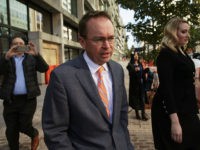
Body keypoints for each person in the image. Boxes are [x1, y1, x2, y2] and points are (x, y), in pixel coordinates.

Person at [42, 11, 134, 150]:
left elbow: (121, 116)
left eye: (110, 38)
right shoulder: (62, 76)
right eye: (99, 39)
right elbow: (55, 133)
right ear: (82, 42)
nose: (107, 46)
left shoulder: (117, 70)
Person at [151, 17, 200, 150]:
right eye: (184, 32)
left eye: (187, 32)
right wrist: (175, 122)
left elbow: (188, 81)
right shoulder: (166, 54)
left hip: (187, 109)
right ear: (173, 33)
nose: (187, 35)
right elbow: (166, 89)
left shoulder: (181, 51)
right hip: (171, 113)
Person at [0, 35, 49, 150]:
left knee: (24, 125)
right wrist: (6, 57)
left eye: (21, 44)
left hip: (28, 100)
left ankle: (34, 134)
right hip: (10, 100)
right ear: (11, 46)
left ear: (25, 46)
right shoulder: (6, 58)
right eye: (15, 44)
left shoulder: (31, 58)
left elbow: (44, 68)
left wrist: (37, 55)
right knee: (11, 129)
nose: (18, 46)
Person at [126, 52, 148, 121]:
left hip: (141, 84)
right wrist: (134, 70)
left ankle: (143, 114)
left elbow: (142, 73)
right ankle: (137, 114)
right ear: (133, 56)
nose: (136, 56)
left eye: (137, 55)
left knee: (142, 98)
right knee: (135, 99)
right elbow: (130, 72)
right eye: (135, 55)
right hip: (134, 85)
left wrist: (145, 71)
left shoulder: (140, 64)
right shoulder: (130, 65)